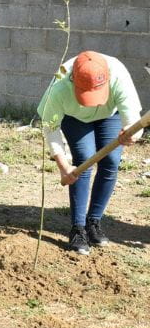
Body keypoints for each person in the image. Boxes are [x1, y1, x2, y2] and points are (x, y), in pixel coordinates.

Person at [37, 51, 142, 255]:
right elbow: (50, 128)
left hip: (110, 116)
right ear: (73, 79)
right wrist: (63, 165)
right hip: (74, 117)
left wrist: (131, 135)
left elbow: (134, 122)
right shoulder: (59, 86)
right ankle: (77, 228)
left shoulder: (118, 74)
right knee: (83, 160)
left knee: (111, 160)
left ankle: (94, 222)